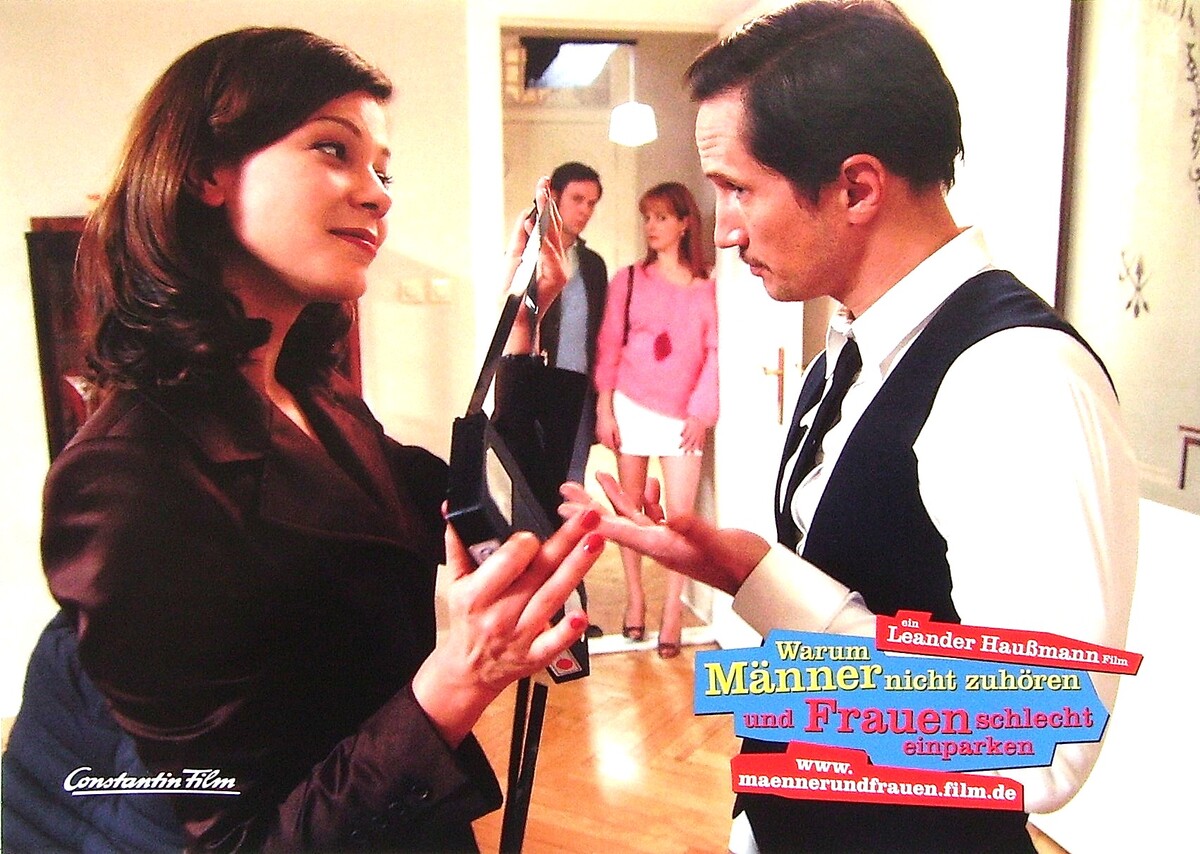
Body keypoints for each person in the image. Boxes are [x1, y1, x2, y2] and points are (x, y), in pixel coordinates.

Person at [2, 27, 603, 853]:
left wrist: (524, 317)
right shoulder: (123, 481)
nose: (378, 195)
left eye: (383, 169)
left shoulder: (307, 390)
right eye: (333, 150)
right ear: (206, 171)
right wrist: (460, 678)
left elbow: (481, 505)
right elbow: (241, 841)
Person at [562, 2, 1138, 851]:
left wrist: (767, 585)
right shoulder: (847, 353)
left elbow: (1043, 732)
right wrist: (743, 571)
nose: (724, 231)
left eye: (738, 189)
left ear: (857, 187)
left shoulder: (1017, 377)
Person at [592, 182, 718, 659]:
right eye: (647, 217)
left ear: (685, 223)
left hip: (683, 416)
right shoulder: (627, 280)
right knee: (631, 512)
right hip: (631, 403)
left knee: (680, 521)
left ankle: (671, 611)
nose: (651, 226)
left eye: (662, 217)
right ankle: (635, 599)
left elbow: (715, 353)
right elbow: (609, 346)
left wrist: (702, 412)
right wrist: (604, 408)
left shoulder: (708, 288)